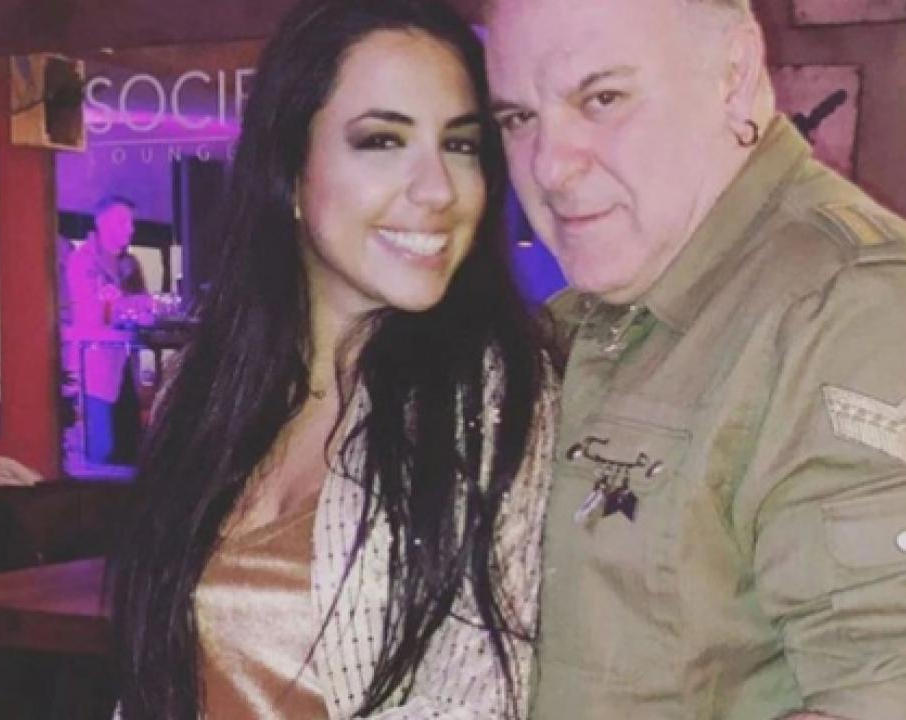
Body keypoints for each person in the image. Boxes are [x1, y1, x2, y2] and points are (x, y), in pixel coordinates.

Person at [484, 1, 906, 718]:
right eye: (517, 118)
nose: (549, 166)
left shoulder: (855, 315)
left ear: (735, 74)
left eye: (602, 99)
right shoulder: (598, 315)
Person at [108, 1, 555, 718]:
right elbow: (151, 676)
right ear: (290, 169)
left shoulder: (499, 400)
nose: (438, 189)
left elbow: (475, 697)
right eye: (383, 140)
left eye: (461, 145)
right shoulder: (203, 389)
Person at [65, 194, 150, 465]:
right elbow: (91, 313)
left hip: (126, 366)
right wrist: (125, 307)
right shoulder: (82, 261)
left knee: (130, 451)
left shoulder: (131, 265)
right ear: (102, 222)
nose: (131, 229)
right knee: (100, 450)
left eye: (132, 223)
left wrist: (127, 307)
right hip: (94, 369)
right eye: (123, 222)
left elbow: (145, 306)